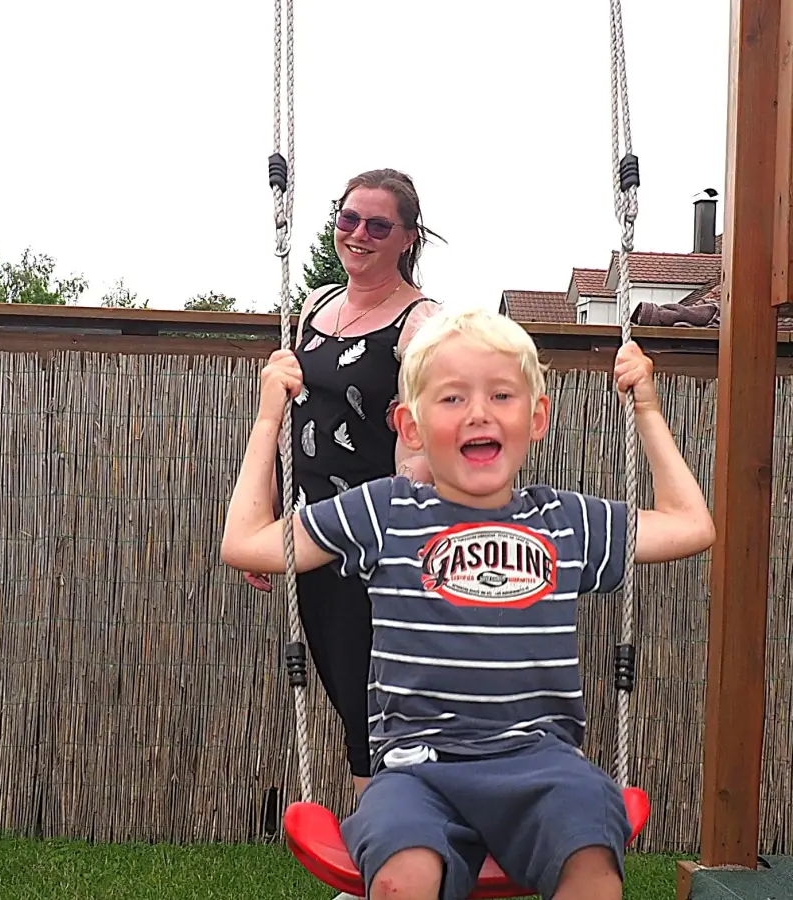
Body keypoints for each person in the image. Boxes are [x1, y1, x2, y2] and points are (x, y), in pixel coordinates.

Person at [221, 308, 715, 900]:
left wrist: (648, 412)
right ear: (411, 427)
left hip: (542, 763)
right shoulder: (386, 513)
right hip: (416, 770)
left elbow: (692, 526)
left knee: (589, 849)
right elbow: (245, 543)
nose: (479, 412)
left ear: (536, 418)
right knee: (404, 872)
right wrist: (270, 413)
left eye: (501, 395)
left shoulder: (566, 521)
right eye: (452, 399)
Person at [252, 168, 443, 807]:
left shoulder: (421, 323)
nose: (358, 234)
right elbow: (295, 422)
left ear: (407, 238)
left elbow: (421, 447)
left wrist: (406, 542)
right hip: (311, 535)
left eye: (378, 225)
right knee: (343, 689)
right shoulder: (314, 305)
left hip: (377, 544)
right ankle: (385, 855)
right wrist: (271, 514)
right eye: (348, 218)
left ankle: (391, 855)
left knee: (378, 703)